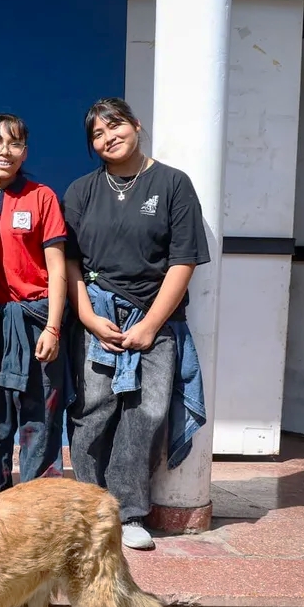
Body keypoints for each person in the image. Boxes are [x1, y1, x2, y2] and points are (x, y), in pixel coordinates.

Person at [63, 98, 210, 551]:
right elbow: (67, 261)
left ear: (136, 125)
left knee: (144, 414)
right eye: (98, 134)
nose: (109, 137)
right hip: (97, 315)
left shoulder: (173, 184)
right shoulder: (81, 191)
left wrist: (149, 324)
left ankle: (128, 512)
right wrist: (87, 315)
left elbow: (183, 260)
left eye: (116, 126)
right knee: (93, 411)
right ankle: (87, 509)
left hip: (156, 319)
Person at [0, 114, 70, 492]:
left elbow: (57, 266)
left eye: (14, 144)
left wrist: (53, 327)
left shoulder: (41, 196)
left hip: (36, 318)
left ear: (24, 152)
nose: (4, 151)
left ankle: (39, 502)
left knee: (39, 415)